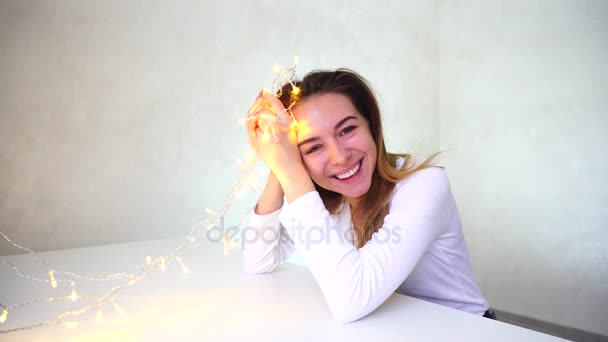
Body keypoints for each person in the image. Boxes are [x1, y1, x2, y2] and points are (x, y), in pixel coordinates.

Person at [242, 69, 494, 323]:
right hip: (390, 328)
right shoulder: (329, 197)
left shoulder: (424, 183)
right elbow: (259, 261)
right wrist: (280, 163)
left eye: (347, 130)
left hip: (466, 329)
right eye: (314, 147)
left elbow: (351, 300)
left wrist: (291, 168)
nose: (340, 157)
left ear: (371, 126)